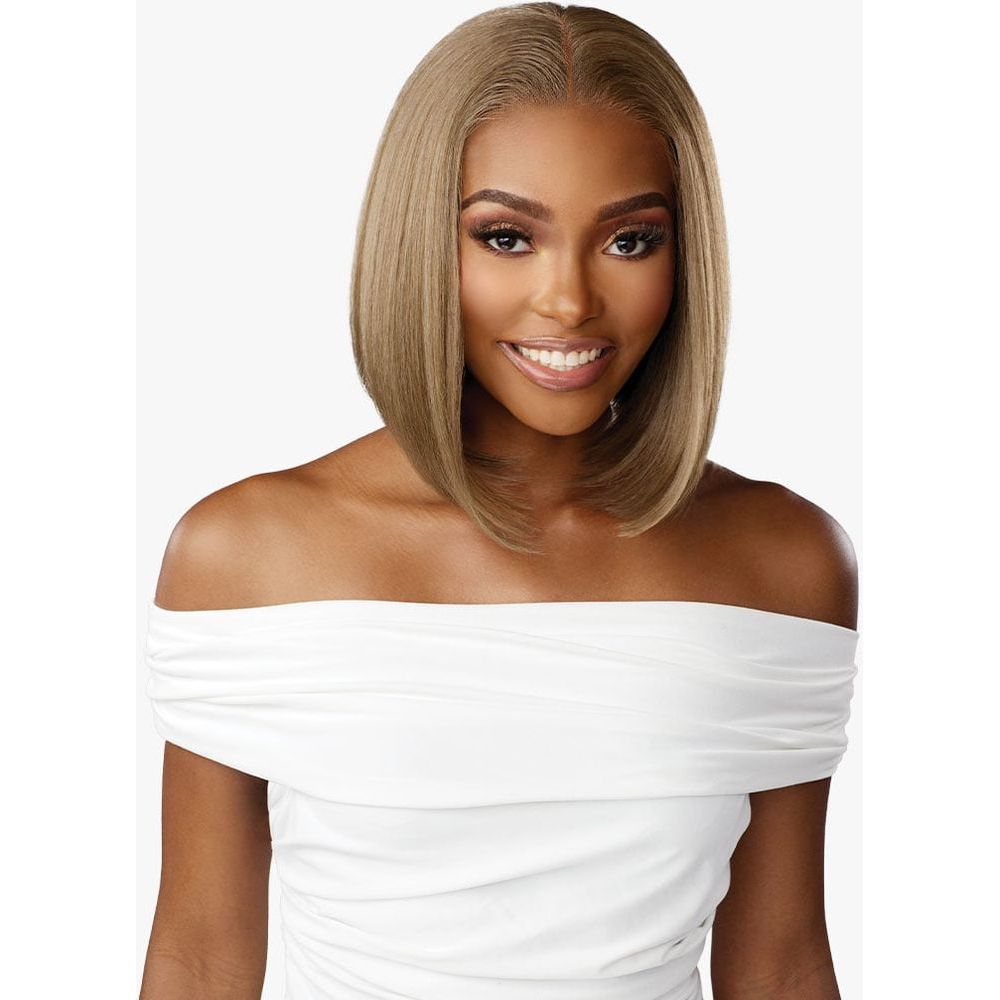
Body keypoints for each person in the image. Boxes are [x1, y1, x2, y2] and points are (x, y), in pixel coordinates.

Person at [140, 4, 859, 999]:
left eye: (630, 240)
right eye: (507, 236)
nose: (568, 301)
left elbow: (780, 966)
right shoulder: (248, 554)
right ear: (419, 243)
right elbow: (200, 956)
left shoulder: (779, 559)